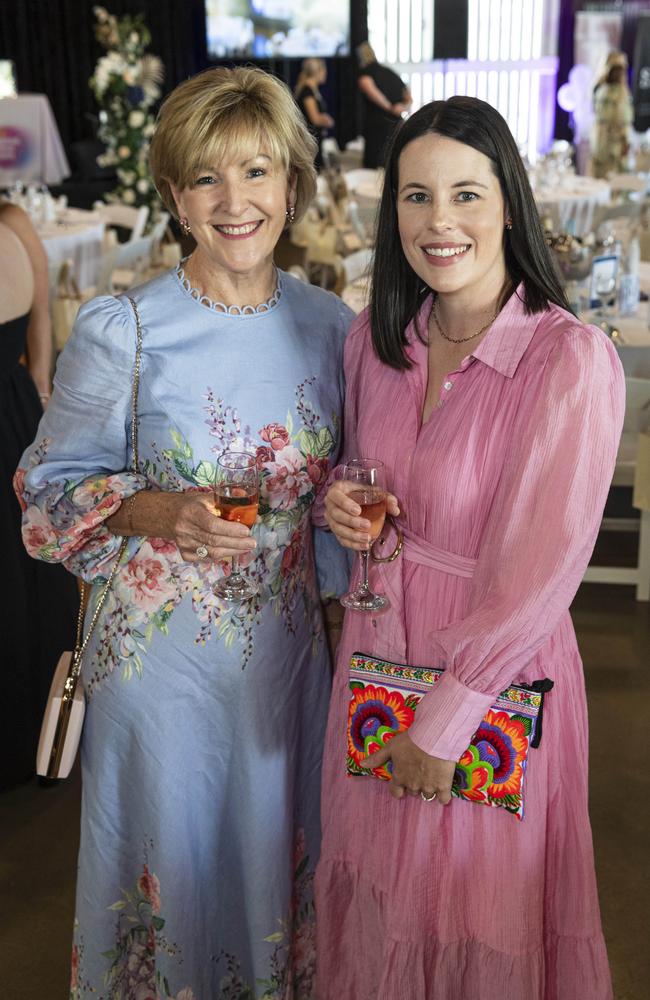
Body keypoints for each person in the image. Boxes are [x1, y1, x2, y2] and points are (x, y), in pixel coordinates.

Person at [15, 66, 353, 998]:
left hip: (287, 665)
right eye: (206, 178)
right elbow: (45, 494)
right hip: (159, 674)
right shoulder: (124, 328)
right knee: (170, 861)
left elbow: (335, 494)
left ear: (292, 183)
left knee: (274, 861)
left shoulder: (333, 328)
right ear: (174, 195)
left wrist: (341, 516)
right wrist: (165, 511)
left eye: (256, 172)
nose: (235, 201)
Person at [314, 96, 624, 999]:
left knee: (475, 909)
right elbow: (354, 473)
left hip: (489, 675)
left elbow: (543, 572)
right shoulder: (374, 345)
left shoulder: (567, 359)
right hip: (373, 656)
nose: (438, 222)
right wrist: (341, 504)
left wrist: (449, 721)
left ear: (509, 203)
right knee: (380, 895)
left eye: (465, 193)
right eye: (415, 196)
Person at [0, 202, 78, 790]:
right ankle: (32, 730)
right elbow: (43, 325)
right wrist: (41, 387)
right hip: (16, 406)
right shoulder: (15, 220)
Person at [357, 41, 412, 168]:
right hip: (396, 127)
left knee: (373, 168)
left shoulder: (366, 73)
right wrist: (403, 108)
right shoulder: (390, 73)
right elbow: (408, 95)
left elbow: (368, 87)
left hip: (376, 128)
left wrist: (389, 107)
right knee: (392, 164)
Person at [592, 53, 633, 178]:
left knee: (619, 179)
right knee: (602, 176)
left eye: (621, 70)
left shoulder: (623, 91)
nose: (619, 74)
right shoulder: (600, 90)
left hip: (618, 143)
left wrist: (625, 141)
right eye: (615, 70)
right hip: (603, 142)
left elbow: (625, 120)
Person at [295, 58, 335, 170]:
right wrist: (327, 120)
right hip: (310, 142)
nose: (326, 74)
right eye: (324, 71)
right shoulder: (307, 91)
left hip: (315, 139)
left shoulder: (312, 89)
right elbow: (315, 118)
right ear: (318, 72)